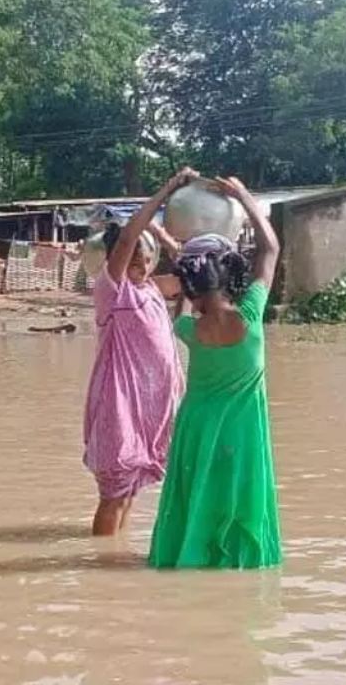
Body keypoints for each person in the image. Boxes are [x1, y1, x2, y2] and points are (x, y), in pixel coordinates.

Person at [147, 176, 282, 569]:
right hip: (241, 427)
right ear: (230, 275)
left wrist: (179, 250)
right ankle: (236, 564)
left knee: (197, 493)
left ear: (189, 285)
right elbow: (270, 248)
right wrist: (242, 194)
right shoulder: (252, 314)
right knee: (238, 495)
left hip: (197, 425)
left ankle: (189, 557)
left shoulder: (187, 329)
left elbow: (187, 303)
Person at [82, 168, 192, 537]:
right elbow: (129, 236)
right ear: (115, 261)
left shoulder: (151, 290)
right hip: (121, 405)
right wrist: (169, 189)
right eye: (132, 260)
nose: (140, 266)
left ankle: (113, 555)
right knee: (113, 493)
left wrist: (164, 238)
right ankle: (99, 565)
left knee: (128, 493)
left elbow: (186, 272)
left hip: (150, 405)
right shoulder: (113, 291)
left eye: (146, 259)